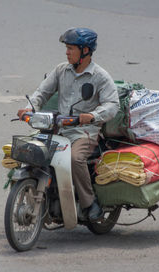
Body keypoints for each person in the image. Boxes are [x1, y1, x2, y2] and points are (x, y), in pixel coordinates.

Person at [17, 27, 119, 222]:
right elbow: (42, 93)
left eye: (71, 48)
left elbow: (113, 105)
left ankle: (90, 203)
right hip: (59, 128)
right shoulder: (61, 70)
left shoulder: (100, 76)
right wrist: (29, 108)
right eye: (67, 48)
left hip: (84, 132)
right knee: (32, 152)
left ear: (86, 51)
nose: (67, 52)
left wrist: (92, 115)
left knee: (74, 159)